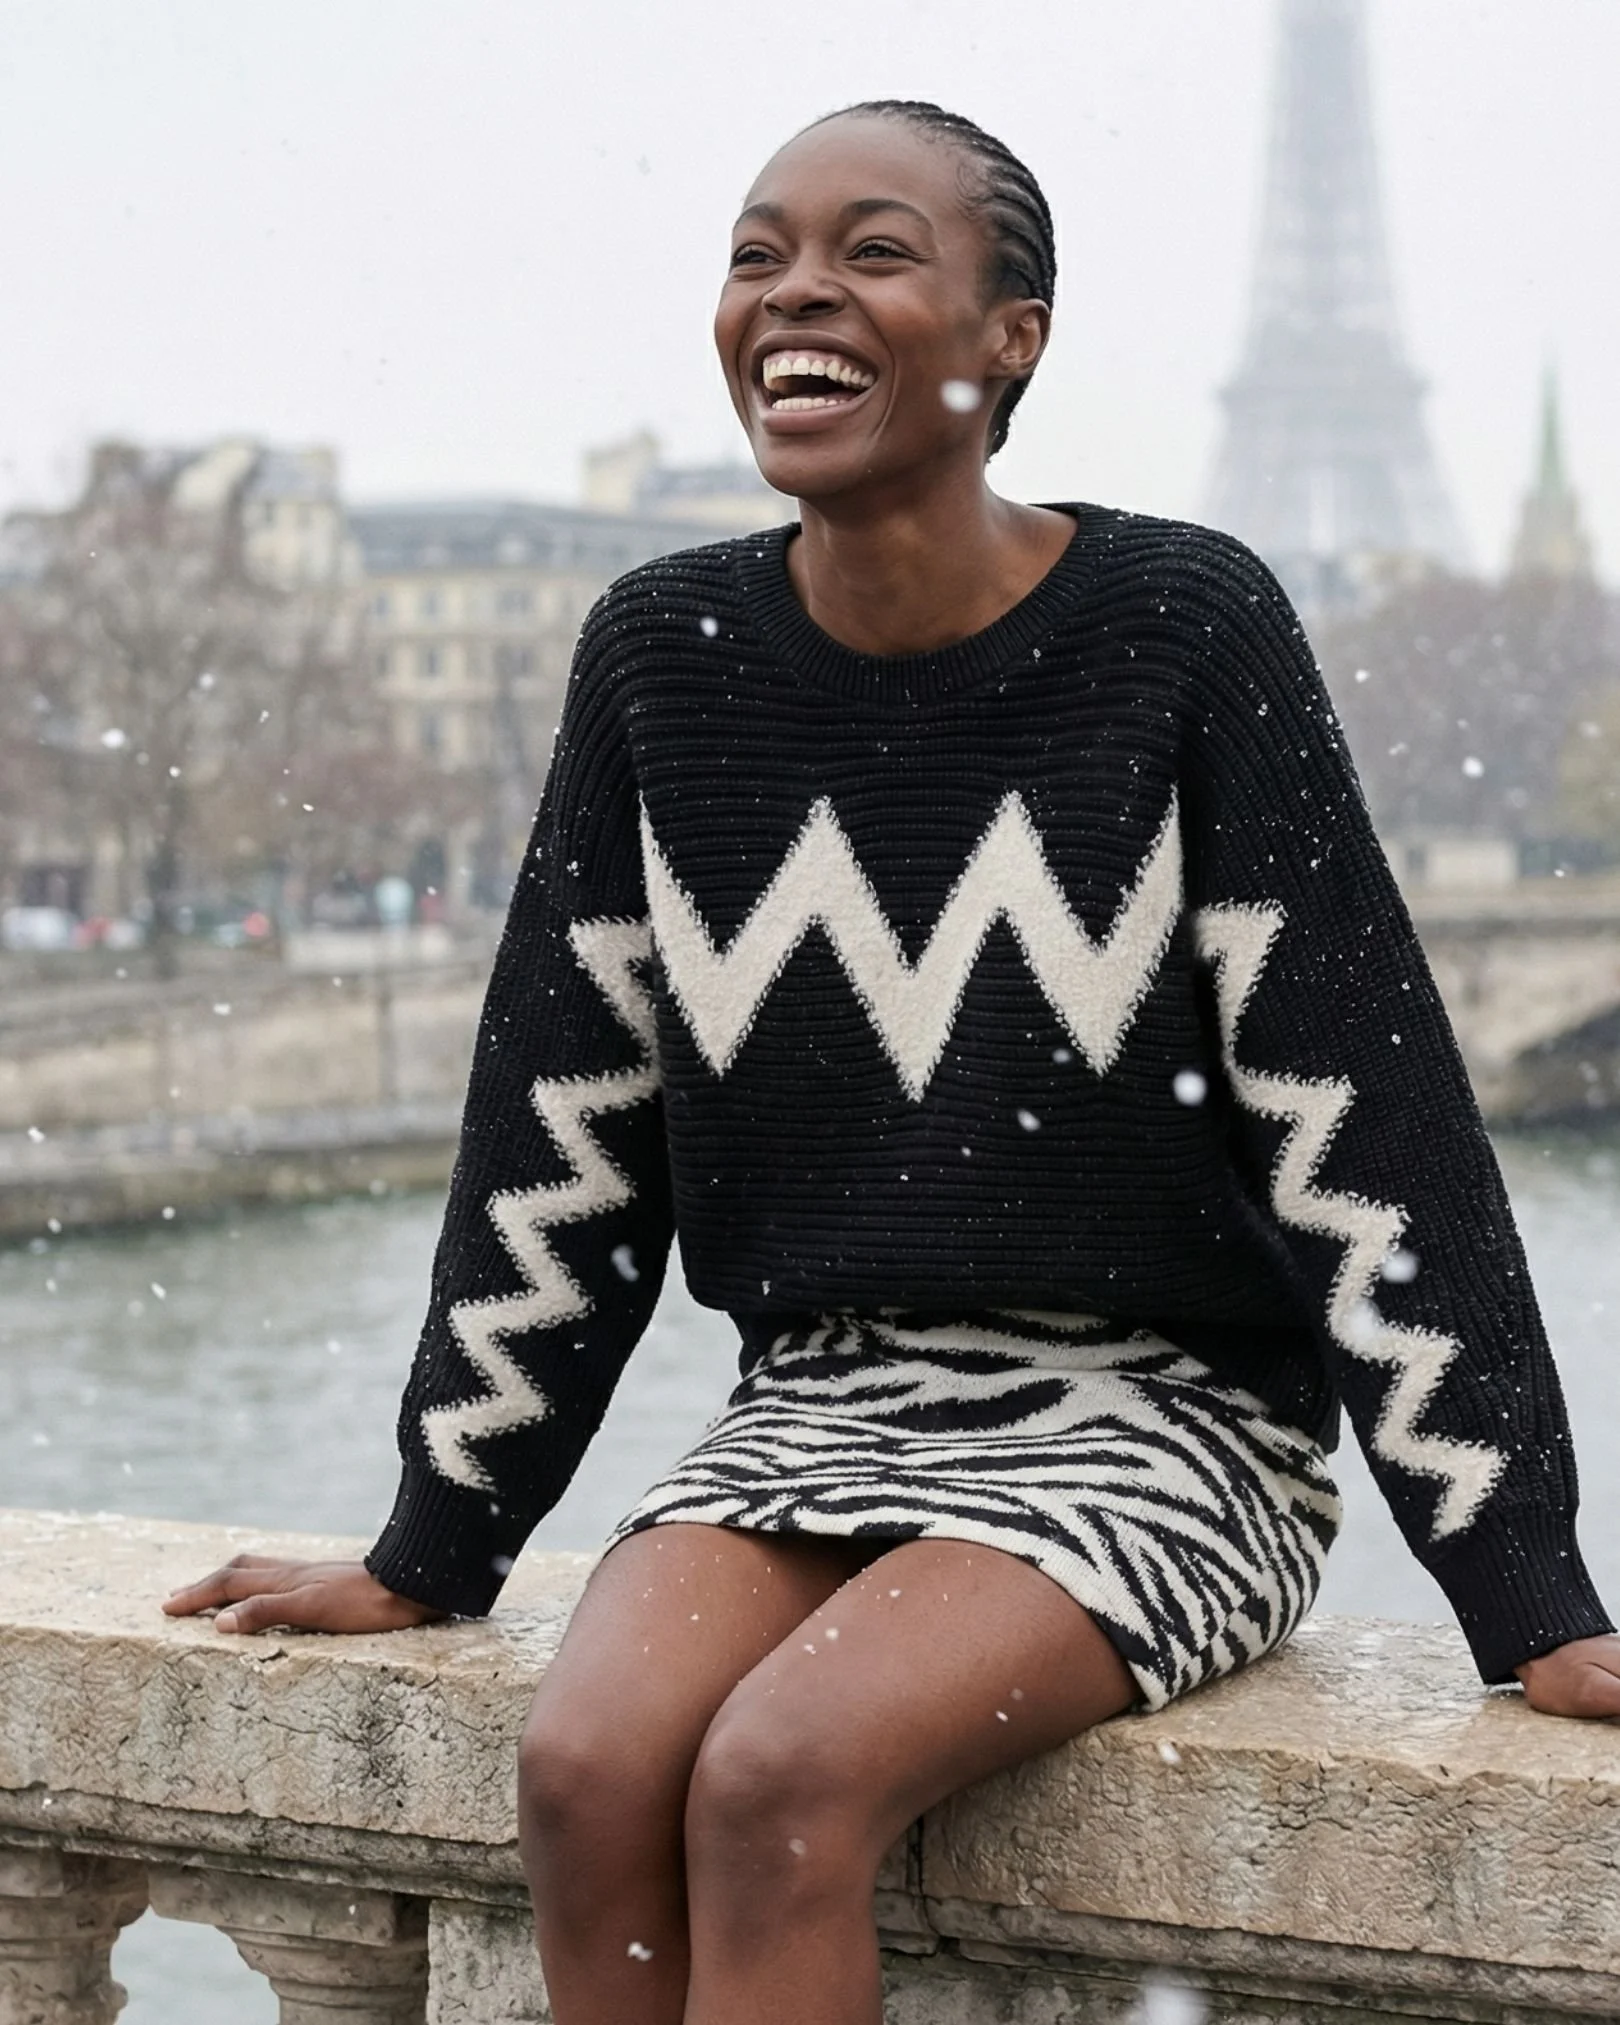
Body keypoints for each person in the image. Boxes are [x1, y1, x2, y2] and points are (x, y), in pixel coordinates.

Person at [167, 100, 1620, 2025]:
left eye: (872, 250)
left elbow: (1366, 1127)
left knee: (781, 1780)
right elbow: (560, 1131)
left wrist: (1528, 1589)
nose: (795, 293)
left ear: (1012, 334)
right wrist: (433, 1543)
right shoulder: (658, 654)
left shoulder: (1189, 628)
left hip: (1171, 1418)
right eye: (758, 252)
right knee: (587, 1768)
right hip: (822, 1399)